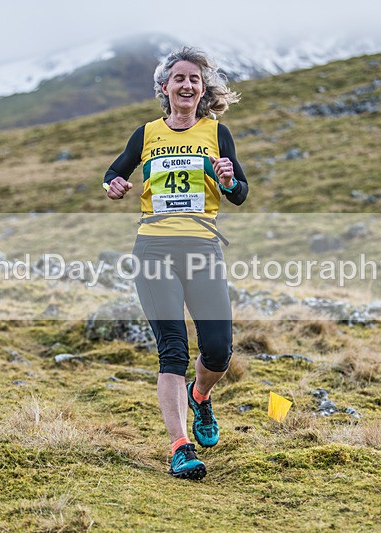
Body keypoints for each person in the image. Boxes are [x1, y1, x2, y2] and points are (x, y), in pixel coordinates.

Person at [103, 47, 248, 479]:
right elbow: (114, 172)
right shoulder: (146, 134)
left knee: (219, 351)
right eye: (179, 78)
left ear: (203, 90)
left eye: (194, 80)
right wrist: (114, 185)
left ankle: (200, 396)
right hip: (153, 250)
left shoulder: (217, 133)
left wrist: (228, 179)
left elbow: (240, 192)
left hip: (203, 249)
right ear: (164, 87)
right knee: (172, 350)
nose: (187, 85)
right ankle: (180, 447)